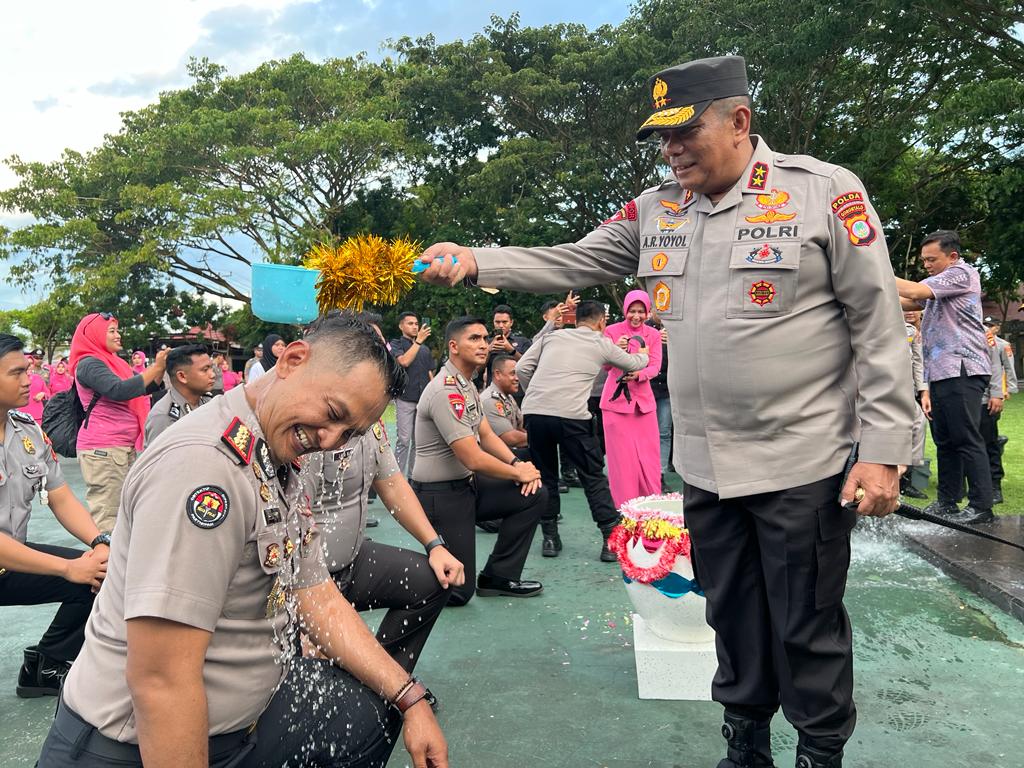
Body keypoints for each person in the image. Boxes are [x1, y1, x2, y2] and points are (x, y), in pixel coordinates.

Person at [418, 55, 915, 768]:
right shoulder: (658, 210)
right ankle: (746, 749)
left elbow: (877, 325)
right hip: (708, 470)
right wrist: (475, 261)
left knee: (807, 624)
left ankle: (818, 752)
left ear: (740, 121)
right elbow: (574, 260)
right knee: (732, 617)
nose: (672, 149)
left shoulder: (823, 193)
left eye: (686, 132)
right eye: (661, 138)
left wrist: (883, 448)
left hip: (801, 461)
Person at [38, 314, 449, 768]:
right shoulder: (205, 469)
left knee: (374, 713)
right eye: (333, 414)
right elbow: (161, 681)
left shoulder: (277, 447)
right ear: (293, 359)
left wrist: (411, 697)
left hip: (241, 716)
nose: (331, 441)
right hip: (134, 748)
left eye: (349, 433)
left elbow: (314, 592)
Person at [0, 334, 110, 698]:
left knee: (100, 575)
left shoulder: (26, 431)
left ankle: (45, 666)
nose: (27, 380)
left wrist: (98, 542)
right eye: (16, 373)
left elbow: (60, 497)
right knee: (76, 571)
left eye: (27, 371)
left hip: (11, 559)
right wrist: (65, 567)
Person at [305, 423, 463, 672]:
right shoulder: (314, 425)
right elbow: (291, 516)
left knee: (433, 582)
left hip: (352, 560)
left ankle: (388, 676)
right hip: (307, 577)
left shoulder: (368, 421)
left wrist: (435, 546)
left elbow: (392, 484)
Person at [411, 317, 546, 605]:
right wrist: (517, 473)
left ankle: (498, 576)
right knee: (458, 592)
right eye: (474, 338)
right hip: (440, 497)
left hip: (466, 487)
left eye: (485, 338)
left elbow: (485, 434)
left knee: (535, 494)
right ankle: (406, 574)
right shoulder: (445, 389)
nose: (483, 344)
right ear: (453, 346)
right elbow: (471, 456)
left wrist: (516, 464)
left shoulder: (467, 384)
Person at [515, 299, 649, 560]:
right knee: (592, 475)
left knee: (545, 476)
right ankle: (610, 540)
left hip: (536, 413)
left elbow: (521, 368)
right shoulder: (600, 342)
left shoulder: (552, 338)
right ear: (601, 322)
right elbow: (634, 364)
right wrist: (644, 353)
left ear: (576, 320)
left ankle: (550, 540)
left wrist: (537, 393)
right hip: (572, 416)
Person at [895, 230, 994, 524]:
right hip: (940, 372)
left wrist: (869, 269)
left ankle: (981, 506)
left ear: (951, 256)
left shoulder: (961, 274)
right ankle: (947, 502)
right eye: (924, 260)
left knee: (966, 437)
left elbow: (914, 293)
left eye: (931, 259)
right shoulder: (938, 286)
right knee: (946, 440)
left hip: (962, 367)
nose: (926, 264)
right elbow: (908, 302)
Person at [70, 313, 169, 534]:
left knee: (128, 511)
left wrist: (161, 370)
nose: (118, 335)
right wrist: (155, 367)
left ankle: (125, 564)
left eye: (117, 330)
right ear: (94, 335)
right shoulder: (89, 363)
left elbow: (142, 388)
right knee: (109, 517)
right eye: (111, 331)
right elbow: (119, 391)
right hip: (103, 449)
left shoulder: (113, 363)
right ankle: (108, 567)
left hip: (120, 446)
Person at [600, 289, 664, 508]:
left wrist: (640, 374)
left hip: (644, 405)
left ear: (647, 312)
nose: (636, 316)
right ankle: (624, 508)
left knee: (649, 458)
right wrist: (614, 350)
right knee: (622, 461)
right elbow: (605, 366)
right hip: (615, 405)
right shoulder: (611, 331)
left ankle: (651, 507)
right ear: (624, 310)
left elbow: (655, 365)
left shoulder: (653, 335)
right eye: (632, 311)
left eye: (641, 311)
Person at [390, 311, 436, 476]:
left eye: (416, 324)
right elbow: (404, 361)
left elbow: (430, 374)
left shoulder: (424, 349)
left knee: (419, 442)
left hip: (423, 400)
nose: (415, 326)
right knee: (403, 440)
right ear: (401, 326)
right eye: (410, 323)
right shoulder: (396, 344)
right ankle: (396, 477)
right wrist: (417, 342)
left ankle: (413, 476)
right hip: (405, 399)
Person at [144, 344, 216, 447]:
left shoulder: (208, 401)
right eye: (205, 370)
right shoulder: (164, 416)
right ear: (182, 376)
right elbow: (160, 460)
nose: (212, 374)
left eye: (211, 368)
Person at [982, 317, 1015, 504]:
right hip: (966, 396)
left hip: (988, 395)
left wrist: (1004, 390)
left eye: (990, 325)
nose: (988, 328)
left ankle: (995, 486)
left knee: (989, 442)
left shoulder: (1001, 344)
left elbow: (1005, 367)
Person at [901, 311, 930, 499]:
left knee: (919, 424)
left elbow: (918, 363)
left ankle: (905, 479)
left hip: (906, 389)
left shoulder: (911, 332)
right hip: (877, 387)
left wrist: (924, 391)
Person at [480, 355, 527, 450]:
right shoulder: (490, 400)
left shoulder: (507, 396)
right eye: (513, 374)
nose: (517, 378)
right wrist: (541, 437)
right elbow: (510, 438)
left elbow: (521, 427)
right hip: (495, 459)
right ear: (498, 374)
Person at [648, 315, 674, 488]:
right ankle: (643, 472)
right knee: (643, 434)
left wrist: (675, 341)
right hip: (645, 388)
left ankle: (660, 474)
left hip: (667, 389)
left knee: (664, 432)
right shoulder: (643, 328)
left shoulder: (677, 328)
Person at [24, 353, 52, 424]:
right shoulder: (15, 379)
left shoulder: (38, 378)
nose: (29, 366)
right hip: (21, 414)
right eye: (26, 364)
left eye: (31, 364)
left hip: (37, 415)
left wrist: (43, 394)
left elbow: (48, 393)